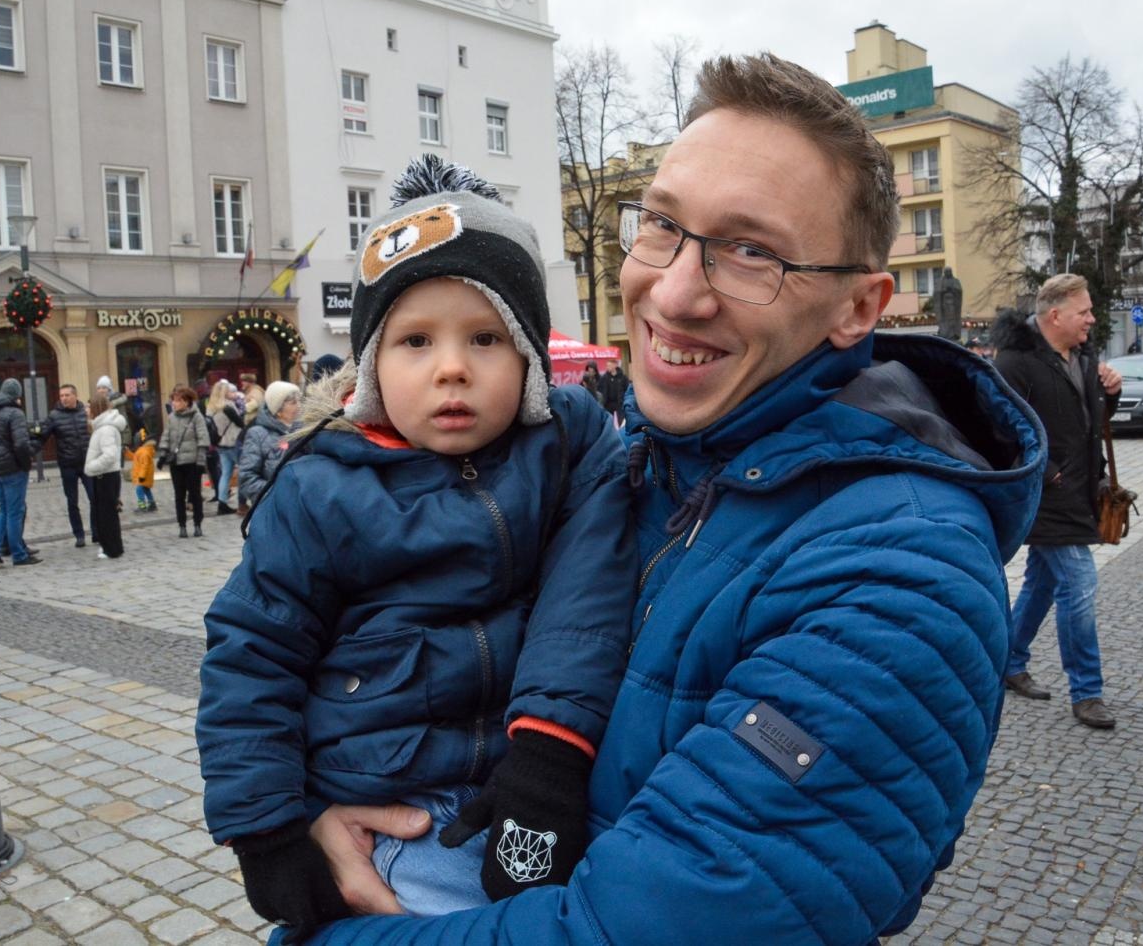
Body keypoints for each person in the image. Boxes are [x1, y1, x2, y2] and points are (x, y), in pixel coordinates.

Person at [288, 54, 1046, 945]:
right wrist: (316, 811)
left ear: (858, 307)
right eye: (661, 227)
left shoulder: (902, 577)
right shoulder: (625, 468)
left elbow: (625, 929)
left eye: (750, 251)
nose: (673, 292)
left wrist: (323, 928)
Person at [197, 155, 636, 931]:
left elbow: (584, 599)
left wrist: (547, 756)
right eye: (416, 341)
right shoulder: (320, 485)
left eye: (486, 338)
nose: (453, 369)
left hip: (520, 781)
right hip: (385, 805)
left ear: (532, 359)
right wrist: (266, 832)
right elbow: (252, 654)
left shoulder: (567, 448)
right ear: (370, 363)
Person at [992, 273, 1123, 729]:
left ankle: (1007, 662)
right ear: (1055, 315)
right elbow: (998, 427)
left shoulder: (1083, 355)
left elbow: (1092, 421)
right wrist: (1048, 472)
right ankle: (1087, 692)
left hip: (1082, 490)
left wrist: (1111, 392)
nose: (1091, 318)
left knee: (1042, 584)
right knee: (1080, 585)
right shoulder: (1015, 361)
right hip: (1044, 493)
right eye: (1084, 311)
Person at [0, 378, 40, 566]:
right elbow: (21, 444)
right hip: (12, 467)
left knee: (4, 509)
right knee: (15, 511)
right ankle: (18, 554)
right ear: (17, 395)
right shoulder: (15, 413)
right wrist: (26, 462)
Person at [36, 384, 95, 548]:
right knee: (72, 501)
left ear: (75, 396)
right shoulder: (54, 416)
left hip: (87, 463)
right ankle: (79, 535)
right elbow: (42, 436)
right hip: (67, 463)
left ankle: (96, 532)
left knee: (94, 498)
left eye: (67, 395)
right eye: (61, 396)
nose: (64, 398)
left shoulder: (86, 413)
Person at [234, 380, 300, 512]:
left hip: (302, 509)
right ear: (278, 409)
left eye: (299, 401)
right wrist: (276, 493)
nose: (299, 406)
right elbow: (247, 477)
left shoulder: (303, 431)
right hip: (273, 510)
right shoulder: (257, 434)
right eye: (293, 403)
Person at [158, 385, 210, 538]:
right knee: (179, 495)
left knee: (195, 495)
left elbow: (203, 439)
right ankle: (182, 525)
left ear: (187, 402)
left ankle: (197, 524)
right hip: (176, 463)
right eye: (174, 400)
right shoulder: (172, 417)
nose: (174, 403)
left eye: (178, 400)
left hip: (192, 462)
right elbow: (166, 436)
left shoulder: (196, 417)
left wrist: (201, 461)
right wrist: (162, 455)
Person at [84, 394, 127, 560]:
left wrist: (91, 467)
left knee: (107, 514)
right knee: (104, 513)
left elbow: (110, 455)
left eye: (89, 407)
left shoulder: (106, 428)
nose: (86, 410)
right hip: (104, 475)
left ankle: (112, 548)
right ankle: (109, 546)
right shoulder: (101, 427)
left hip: (106, 475)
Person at [208, 380, 247, 515]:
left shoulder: (211, 408)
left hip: (220, 444)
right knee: (244, 470)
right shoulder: (228, 407)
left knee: (226, 473)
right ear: (224, 393)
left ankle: (222, 503)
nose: (233, 393)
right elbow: (240, 423)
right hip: (233, 442)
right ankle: (242, 503)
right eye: (230, 391)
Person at [130, 428, 159, 511]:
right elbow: (135, 457)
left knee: (139, 489)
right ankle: (152, 504)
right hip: (145, 476)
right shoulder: (143, 451)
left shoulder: (144, 452)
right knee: (146, 489)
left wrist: (141, 476)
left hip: (143, 476)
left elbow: (144, 465)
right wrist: (127, 453)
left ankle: (142, 506)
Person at [596, 360, 628, 427]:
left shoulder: (622, 377)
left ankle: (621, 435)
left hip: (619, 403)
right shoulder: (604, 377)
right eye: (607, 365)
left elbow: (627, 389)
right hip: (608, 403)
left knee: (621, 422)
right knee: (608, 422)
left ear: (615, 365)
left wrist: (625, 399)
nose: (607, 367)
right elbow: (599, 388)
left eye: (609, 365)